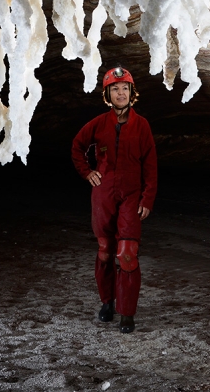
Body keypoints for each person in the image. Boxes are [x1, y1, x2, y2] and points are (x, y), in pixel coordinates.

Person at [71, 66, 158, 334]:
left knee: (127, 254)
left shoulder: (142, 125)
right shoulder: (97, 124)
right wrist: (87, 172)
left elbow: (151, 165)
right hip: (104, 195)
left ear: (132, 93)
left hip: (131, 195)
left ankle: (127, 313)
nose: (121, 93)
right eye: (115, 89)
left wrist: (148, 197)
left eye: (125, 88)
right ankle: (107, 303)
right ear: (107, 94)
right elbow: (77, 146)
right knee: (106, 251)